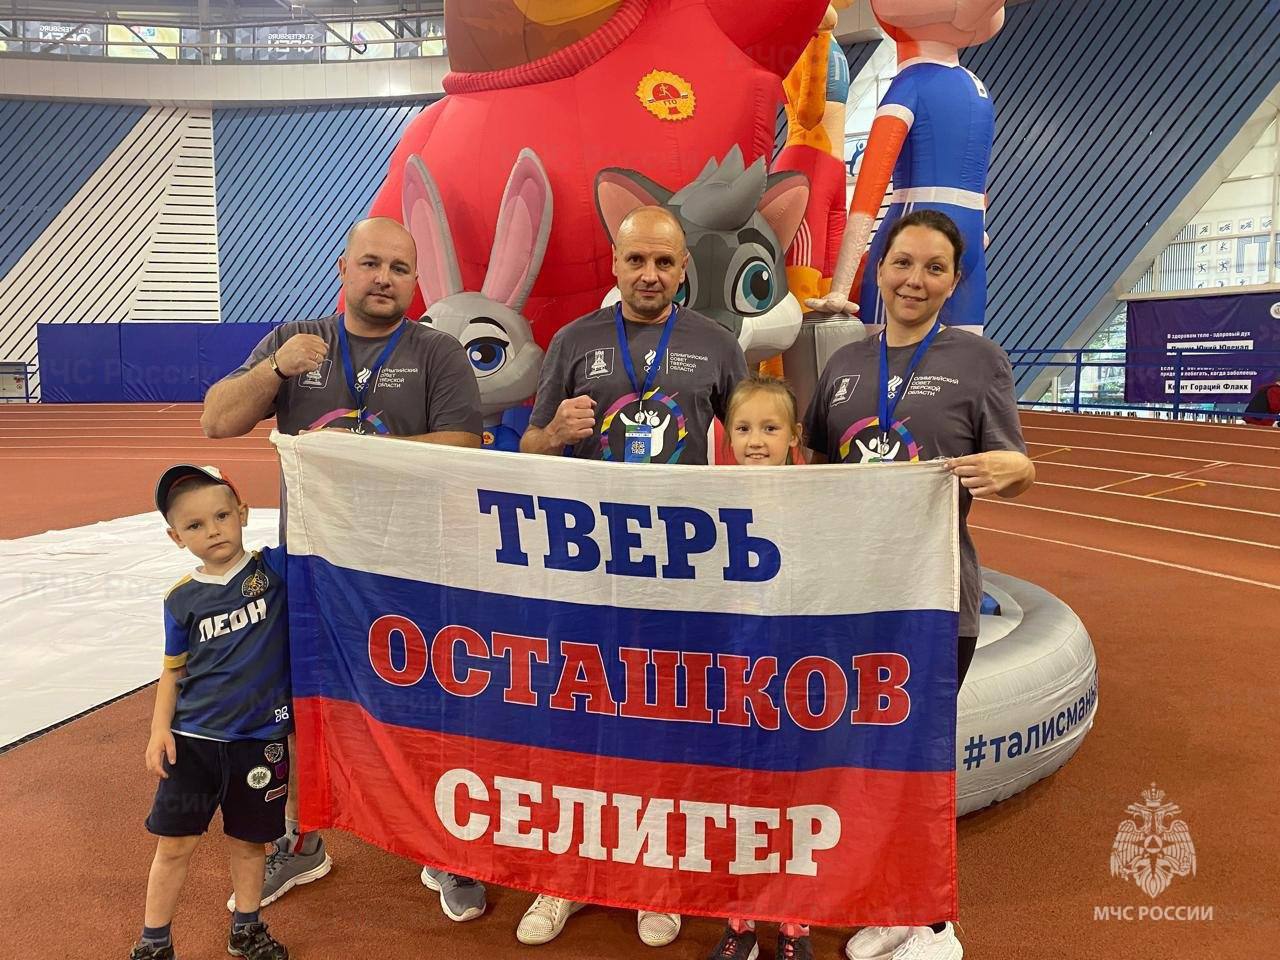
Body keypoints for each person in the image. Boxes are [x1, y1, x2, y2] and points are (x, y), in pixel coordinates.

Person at [201, 217, 487, 924]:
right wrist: (274, 370)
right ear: (344, 268)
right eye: (371, 263)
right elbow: (216, 421)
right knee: (300, 709)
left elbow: (463, 443)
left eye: (399, 268)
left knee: (425, 705)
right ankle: (300, 839)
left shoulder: (437, 350)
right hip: (313, 567)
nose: (384, 278)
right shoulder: (297, 341)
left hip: (408, 567)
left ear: (415, 281)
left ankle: (443, 846)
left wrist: (355, 453)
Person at [802, 209, 1034, 960]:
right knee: (858, 756)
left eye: (935, 268)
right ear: (879, 270)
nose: (915, 280)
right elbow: (812, 470)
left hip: (933, 598)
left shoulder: (979, 360)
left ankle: (932, 926)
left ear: (953, 282)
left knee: (915, 759)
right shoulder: (844, 364)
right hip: (849, 597)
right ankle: (887, 902)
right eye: (903, 262)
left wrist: (1016, 470)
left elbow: (1015, 466)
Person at [516, 205, 748, 947]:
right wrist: (554, 434)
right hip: (587, 570)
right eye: (636, 260)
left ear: (684, 269)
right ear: (615, 263)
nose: (649, 275)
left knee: (664, 727)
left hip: (680, 575)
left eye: (664, 262)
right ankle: (564, 877)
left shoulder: (718, 344)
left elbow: (757, 447)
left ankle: (656, 878)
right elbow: (529, 448)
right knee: (575, 720)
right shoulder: (573, 340)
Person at [130, 464, 291, 960]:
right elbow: (173, 671)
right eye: (195, 525)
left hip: (259, 742)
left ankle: (247, 929)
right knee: (174, 845)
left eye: (222, 516)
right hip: (193, 743)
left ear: (243, 513)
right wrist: (159, 729)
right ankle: (154, 941)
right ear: (176, 537)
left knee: (250, 843)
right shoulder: (180, 598)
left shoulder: (274, 570)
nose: (213, 530)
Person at [710, 375, 814, 960]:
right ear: (727, 435)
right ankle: (740, 920)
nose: (756, 440)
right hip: (733, 677)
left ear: (794, 436)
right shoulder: (709, 499)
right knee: (738, 798)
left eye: (770, 428)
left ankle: (794, 923)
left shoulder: (817, 500)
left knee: (794, 799)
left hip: (794, 680)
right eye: (744, 428)